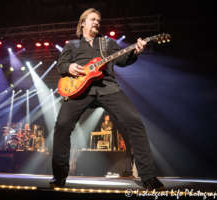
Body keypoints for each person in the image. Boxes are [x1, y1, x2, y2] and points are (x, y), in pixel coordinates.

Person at [50, 8, 164, 190]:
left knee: (134, 121)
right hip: (79, 90)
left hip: (108, 88)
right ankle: (59, 176)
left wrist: (135, 52)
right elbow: (61, 65)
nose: (97, 22)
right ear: (83, 22)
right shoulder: (72, 45)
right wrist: (70, 67)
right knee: (62, 125)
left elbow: (122, 60)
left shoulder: (107, 43)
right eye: (93, 19)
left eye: (99, 21)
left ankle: (149, 177)